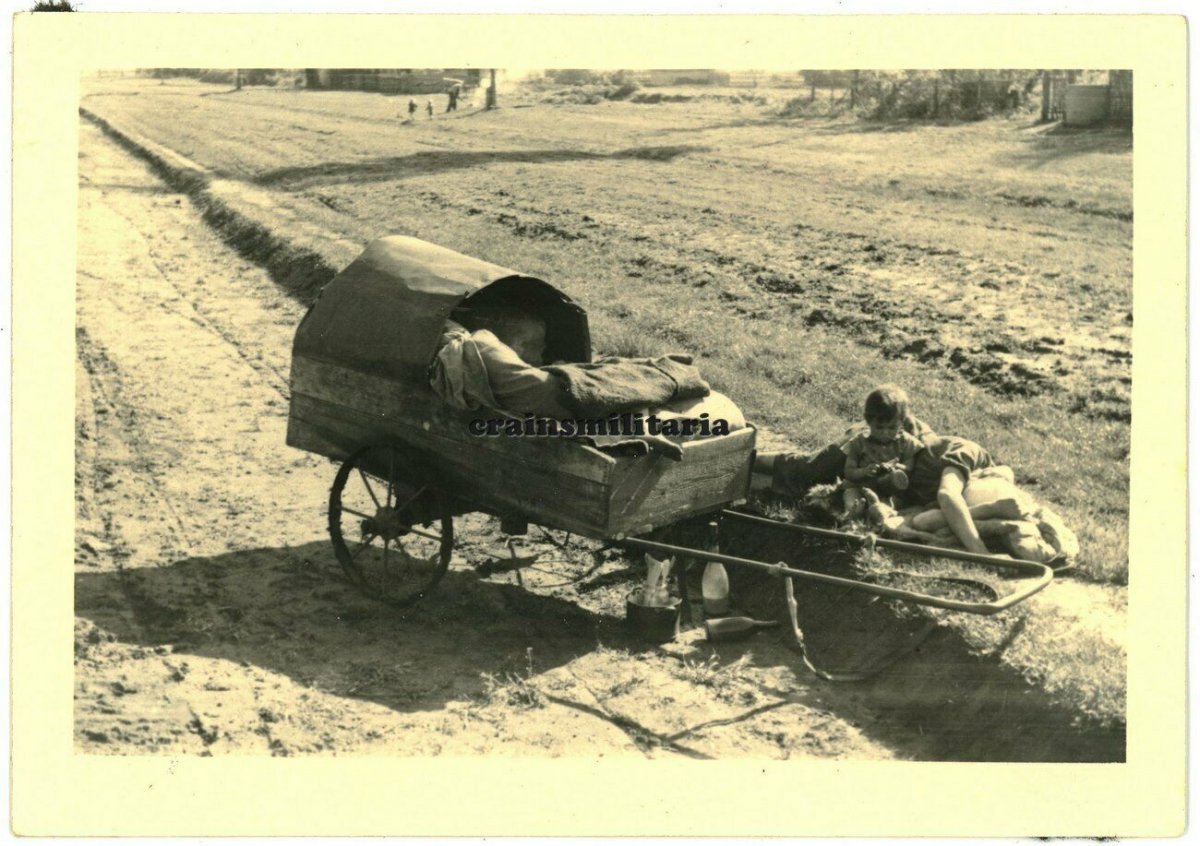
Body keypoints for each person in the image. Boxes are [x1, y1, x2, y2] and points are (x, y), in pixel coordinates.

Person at [839, 385, 924, 518]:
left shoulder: (906, 442)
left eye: (892, 428)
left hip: (889, 491)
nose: (885, 432)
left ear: (902, 422)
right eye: (879, 427)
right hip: (861, 487)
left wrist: (896, 467)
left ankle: (878, 512)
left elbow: (909, 468)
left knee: (894, 503)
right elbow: (849, 471)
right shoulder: (860, 441)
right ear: (868, 421)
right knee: (851, 497)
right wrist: (864, 471)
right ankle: (854, 512)